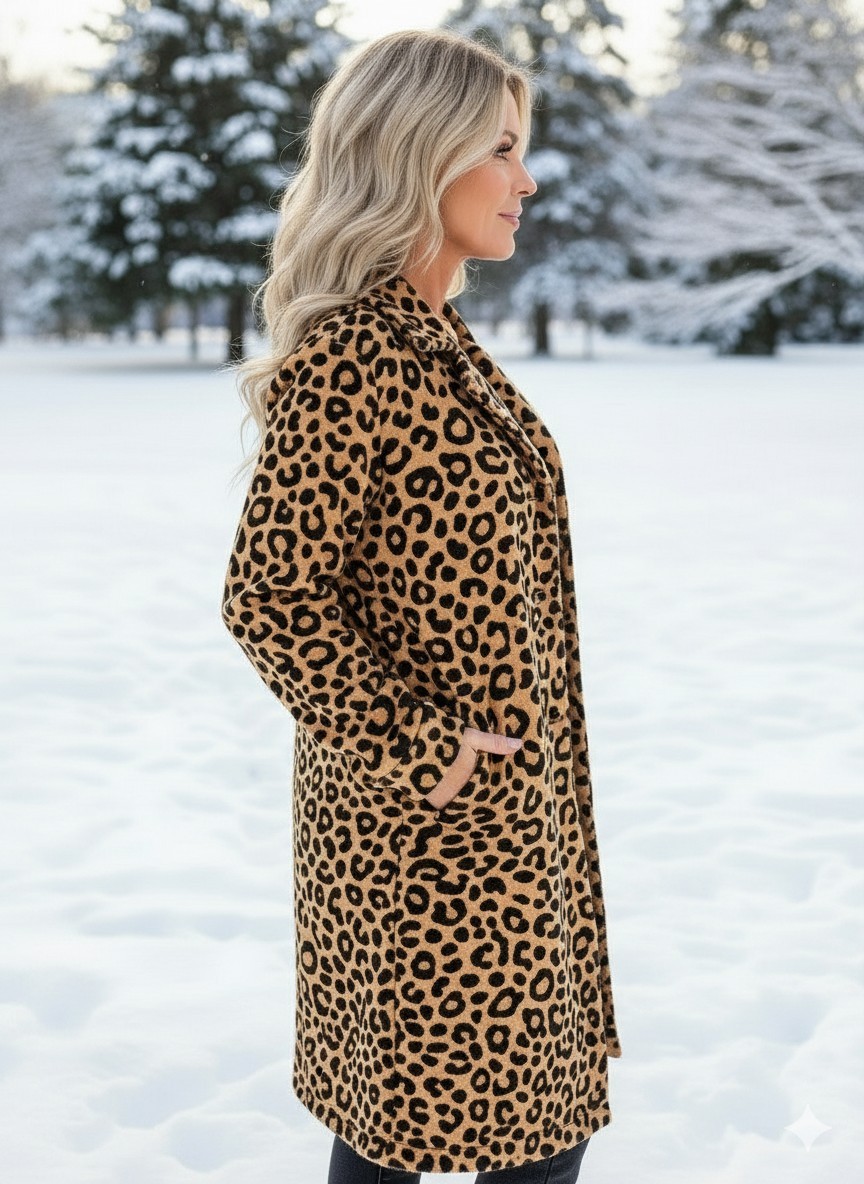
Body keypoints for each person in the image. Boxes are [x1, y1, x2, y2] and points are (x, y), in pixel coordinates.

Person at [220, 26, 623, 1183]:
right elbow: (269, 594)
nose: (526, 178)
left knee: (513, 1128)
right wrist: (425, 748)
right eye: (500, 148)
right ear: (418, 150)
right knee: (461, 1136)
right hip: (425, 849)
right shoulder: (356, 351)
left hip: (506, 832)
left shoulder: (434, 338)